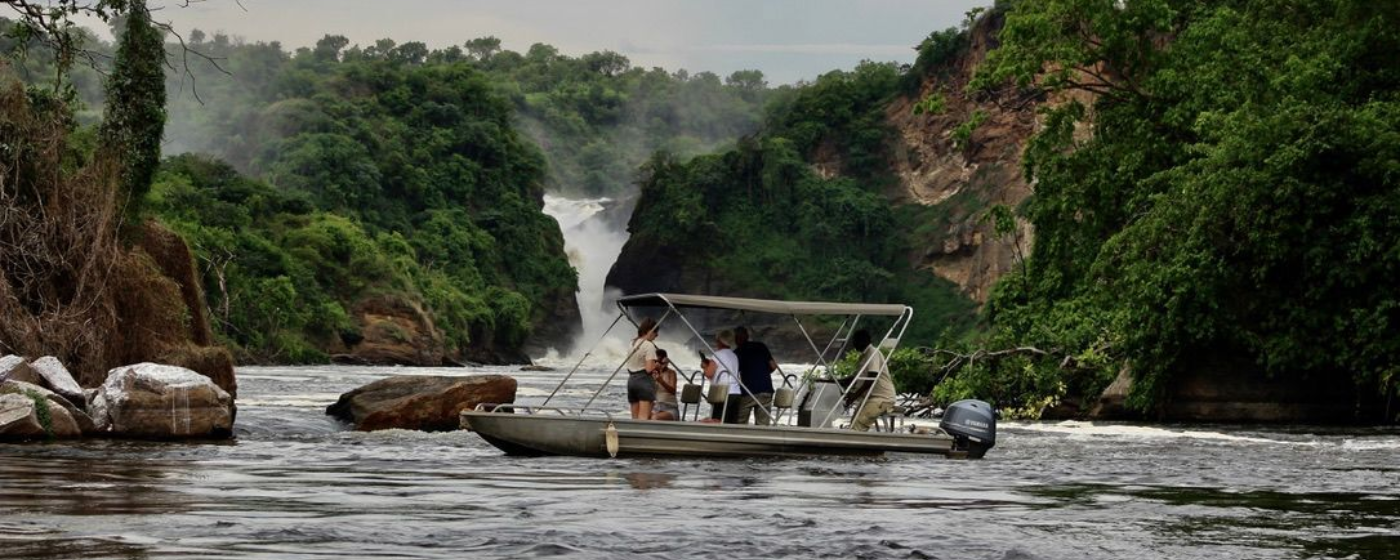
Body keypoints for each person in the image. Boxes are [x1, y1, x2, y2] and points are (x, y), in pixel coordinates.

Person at [842, 329, 895, 432]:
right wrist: (834, 381)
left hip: (882, 397)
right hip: (870, 397)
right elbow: (856, 378)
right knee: (853, 423)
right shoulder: (863, 356)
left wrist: (854, 396)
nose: (854, 344)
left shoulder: (873, 353)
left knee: (858, 425)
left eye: (855, 341)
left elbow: (871, 378)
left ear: (862, 341)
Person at [734, 326, 778, 425]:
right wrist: (762, 373)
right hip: (765, 390)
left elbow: (733, 373)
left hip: (748, 391)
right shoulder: (760, 346)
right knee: (762, 426)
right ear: (747, 336)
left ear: (736, 339)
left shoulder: (737, 352)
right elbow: (774, 366)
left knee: (740, 424)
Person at [702, 329, 742, 423]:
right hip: (736, 392)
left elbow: (709, 374)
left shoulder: (717, 355)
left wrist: (704, 367)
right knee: (731, 422)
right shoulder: (734, 355)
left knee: (717, 420)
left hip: (723, 392)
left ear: (719, 341)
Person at [625, 318, 660, 420]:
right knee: (644, 418)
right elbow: (649, 369)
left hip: (631, 380)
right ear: (648, 330)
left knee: (634, 418)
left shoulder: (632, 343)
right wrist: (656, 365)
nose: (657, 335)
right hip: (643, 381)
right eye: (655, 332)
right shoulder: (649, 345)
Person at [651, 349, 679, 421]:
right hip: (656, 407)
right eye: (656, 362)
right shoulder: (651, 374)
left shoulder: (671, 373)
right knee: (643, 417)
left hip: (670, 408)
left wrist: (661, 381)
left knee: (655, 418)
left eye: (661, 363)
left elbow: (673, 391)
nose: (660, 365)